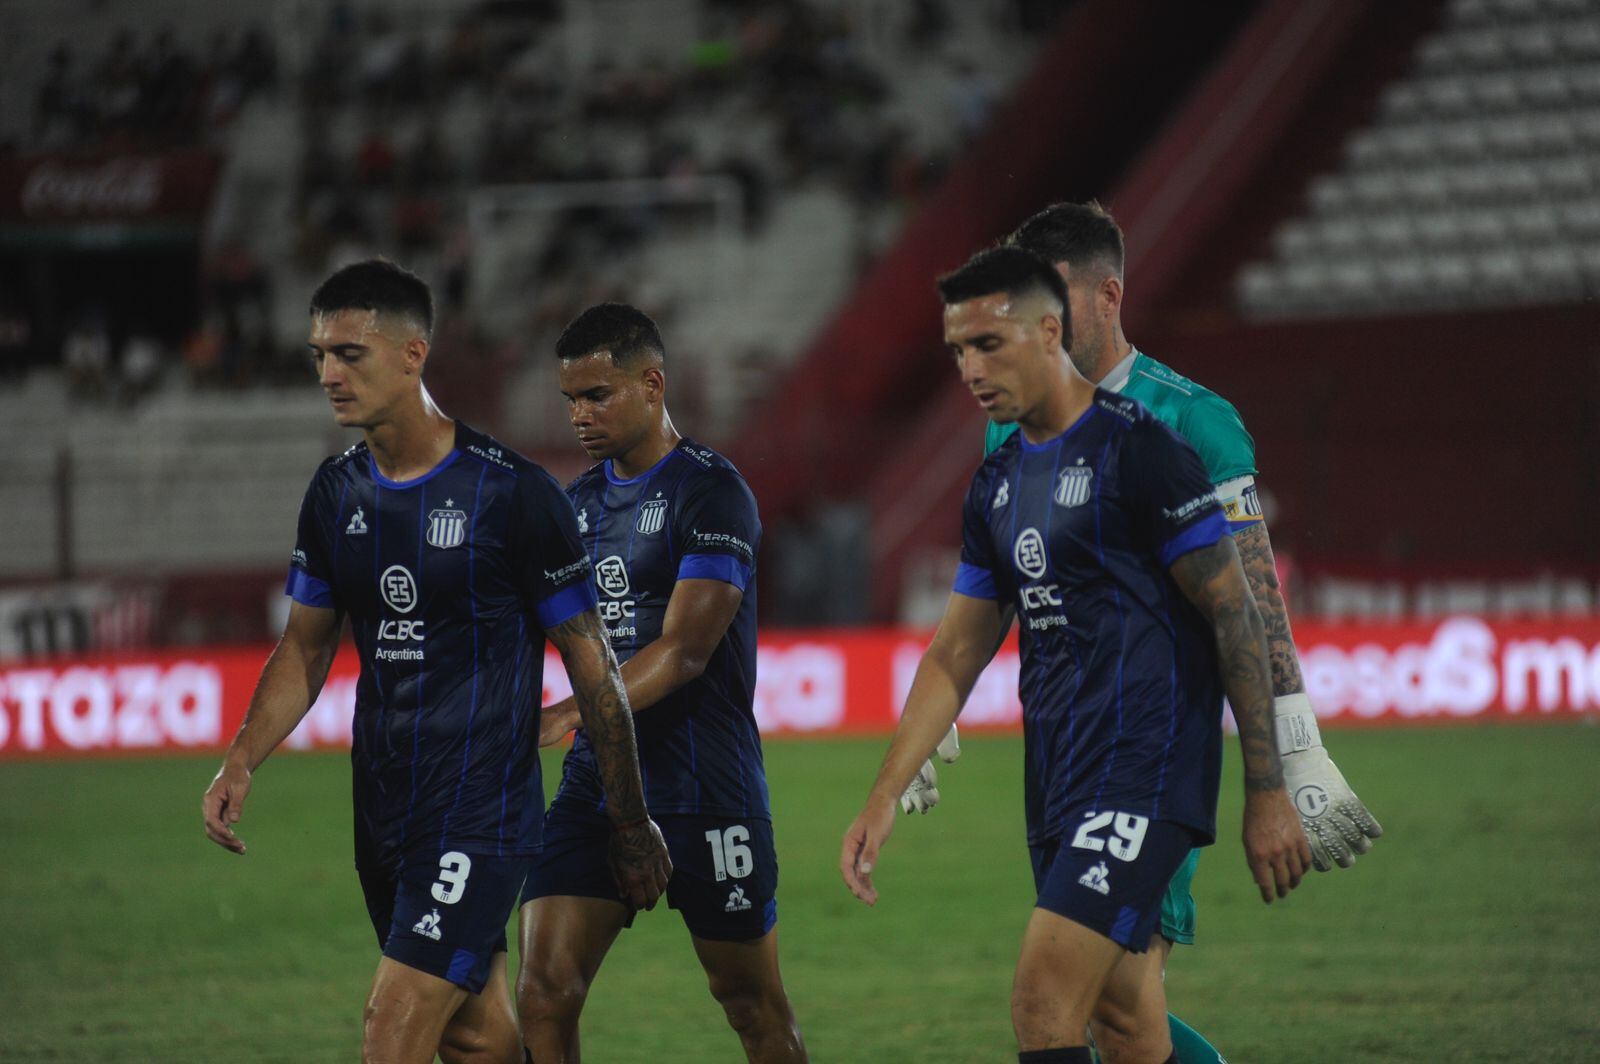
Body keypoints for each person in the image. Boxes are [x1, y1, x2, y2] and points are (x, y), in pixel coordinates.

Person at [840, 247, 1312, 1064]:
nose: (970, 369)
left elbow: (1235, 616)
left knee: (1043, 1001)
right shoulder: (997, 481)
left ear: (1050, 330)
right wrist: (882, 795)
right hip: (1058, 770)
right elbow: (958, 647)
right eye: (957, 350)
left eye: (989, 344)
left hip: (1146, 767)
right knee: (1123, 1020)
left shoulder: (1144, 452)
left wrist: (1271, 790)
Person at [200, 261, 670, 1064]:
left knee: (392, 1029)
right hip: (384, 807)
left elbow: (593, 668)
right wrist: (242, 756)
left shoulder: (513, 495)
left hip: (481, 810)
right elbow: (306, 647)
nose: (329, 373)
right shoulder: (335, 493)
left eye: (351, 352)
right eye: (319, 354)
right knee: (475, 1036)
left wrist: (629, 824)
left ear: (414, 354)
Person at [999, 201, 1384, 1061]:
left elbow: (1252, 598)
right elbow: (1009, 570)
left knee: (1090, 994)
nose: (1039, 323)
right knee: (1111, 1006)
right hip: (1058, 747)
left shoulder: (1196, 422)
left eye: (1054, 298)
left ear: (1109, 295)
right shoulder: (1014, 416)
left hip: (1153, 750)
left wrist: (1294, 750)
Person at [518, 304, 807, 1063]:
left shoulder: (712, 494)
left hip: (707, 785)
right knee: (544, 992)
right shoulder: (574, 505)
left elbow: (684, 651)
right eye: (570, 400)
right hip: (600, 782)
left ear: (653, 384)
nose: (580, 415)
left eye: (598, 395)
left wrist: (570, 712)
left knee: (751, 1005)